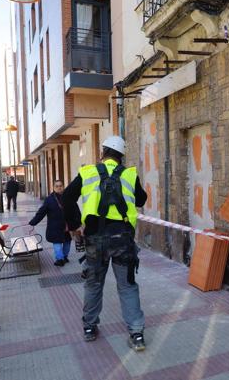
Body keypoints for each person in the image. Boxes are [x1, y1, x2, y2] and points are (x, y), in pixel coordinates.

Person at [63, 136, 148, 351]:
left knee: (93, 284)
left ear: (103, 152)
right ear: (121, 156)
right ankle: (137, 333)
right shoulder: (130, 175)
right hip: (123, 240)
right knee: (127, 286)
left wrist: (74, 225)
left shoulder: (88, 172)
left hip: (95, 241)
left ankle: (90, 327)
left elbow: (66, 197)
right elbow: (141, 200)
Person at [29, 180, 81, 267]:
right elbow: (42, 212)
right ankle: (60, 259)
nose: (59, 187)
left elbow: (76, 211)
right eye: (56, 186)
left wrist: (79, 222)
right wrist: (33, 222)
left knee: (67, 242)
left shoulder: (69, 198)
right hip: (55, 226)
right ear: (53, 187)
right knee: (57, 242)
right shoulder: (49, 199)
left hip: (68, 225)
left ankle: (64, 257)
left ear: (63, 186)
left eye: (60, 186)